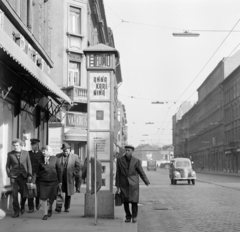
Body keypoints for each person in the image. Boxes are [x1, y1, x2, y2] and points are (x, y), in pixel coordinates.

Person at [116, 145, 150, 223]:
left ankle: (134, 216)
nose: (127, 152)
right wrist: (117, 185)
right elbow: (118, 173)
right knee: (125, 201)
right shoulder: (119, 160)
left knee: (134, 201)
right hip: (123, 183)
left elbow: (141, 172)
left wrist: (146, 181)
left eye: (129, 150)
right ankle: (128, 216)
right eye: (126, 150)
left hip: (133, 184)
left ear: (132, 151)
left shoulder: (136, 161)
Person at [6, 138, 32, 218]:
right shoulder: (10, 154)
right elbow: (7, 165)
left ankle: (22, 205)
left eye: (17, 145)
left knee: (24, 194)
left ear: (20, 145)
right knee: (14, 195)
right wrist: (9, 174)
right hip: (14, 177)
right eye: (14, 145)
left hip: (23, 177)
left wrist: (30, 175)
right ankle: (16, 211)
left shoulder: (26, 153)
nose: (15, 147)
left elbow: (29, 164)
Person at [37, 145, 62, 220]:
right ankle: (45, 213)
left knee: (52, 197)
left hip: (53, 181)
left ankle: (50, 207)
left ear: (48, 151)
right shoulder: (39, 159)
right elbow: (36, 171)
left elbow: (59, 171)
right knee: (43, 198)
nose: (43, 152)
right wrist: (33, 181)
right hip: (42, 181)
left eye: (44, 151)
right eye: (42, 151)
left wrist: (60, 181)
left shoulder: (55, 159)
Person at [55, 143, 80, 212]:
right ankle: (59, 207)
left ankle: (66, 207)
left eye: (66, 151)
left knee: (68, 193)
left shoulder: (74, 156)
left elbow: (78, 166)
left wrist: (73, 173)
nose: (65, 152)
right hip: (60, 177)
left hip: (69, 178)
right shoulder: (58, 156)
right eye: (64, 151)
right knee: (59, 192)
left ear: (69, 150)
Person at [27, 138, 43, 213]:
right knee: (30, 191)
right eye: (32, 145)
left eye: (34, 145)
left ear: (37, 145)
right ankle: (31, 208)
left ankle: (37, 203)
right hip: (30, 176)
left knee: (38, 192)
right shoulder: (28, 153)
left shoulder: (41, 154)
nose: (32, 146)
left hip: (39, 177)